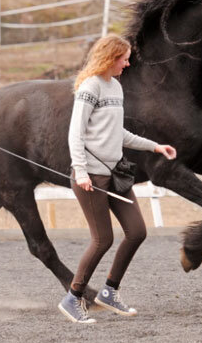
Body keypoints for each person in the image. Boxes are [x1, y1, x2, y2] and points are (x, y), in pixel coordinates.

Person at [58, 34, 177, 324]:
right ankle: (73, 298)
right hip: (91, 178)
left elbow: (117, 133)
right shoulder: (90, 87)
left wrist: (154, 146)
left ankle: (109, 292)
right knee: (103, 239)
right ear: (110, 57)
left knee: (137, 232)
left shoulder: (116, 87)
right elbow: (76, 133)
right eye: (124, 58)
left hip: (115, 175)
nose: (127, 63)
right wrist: (82, 171)